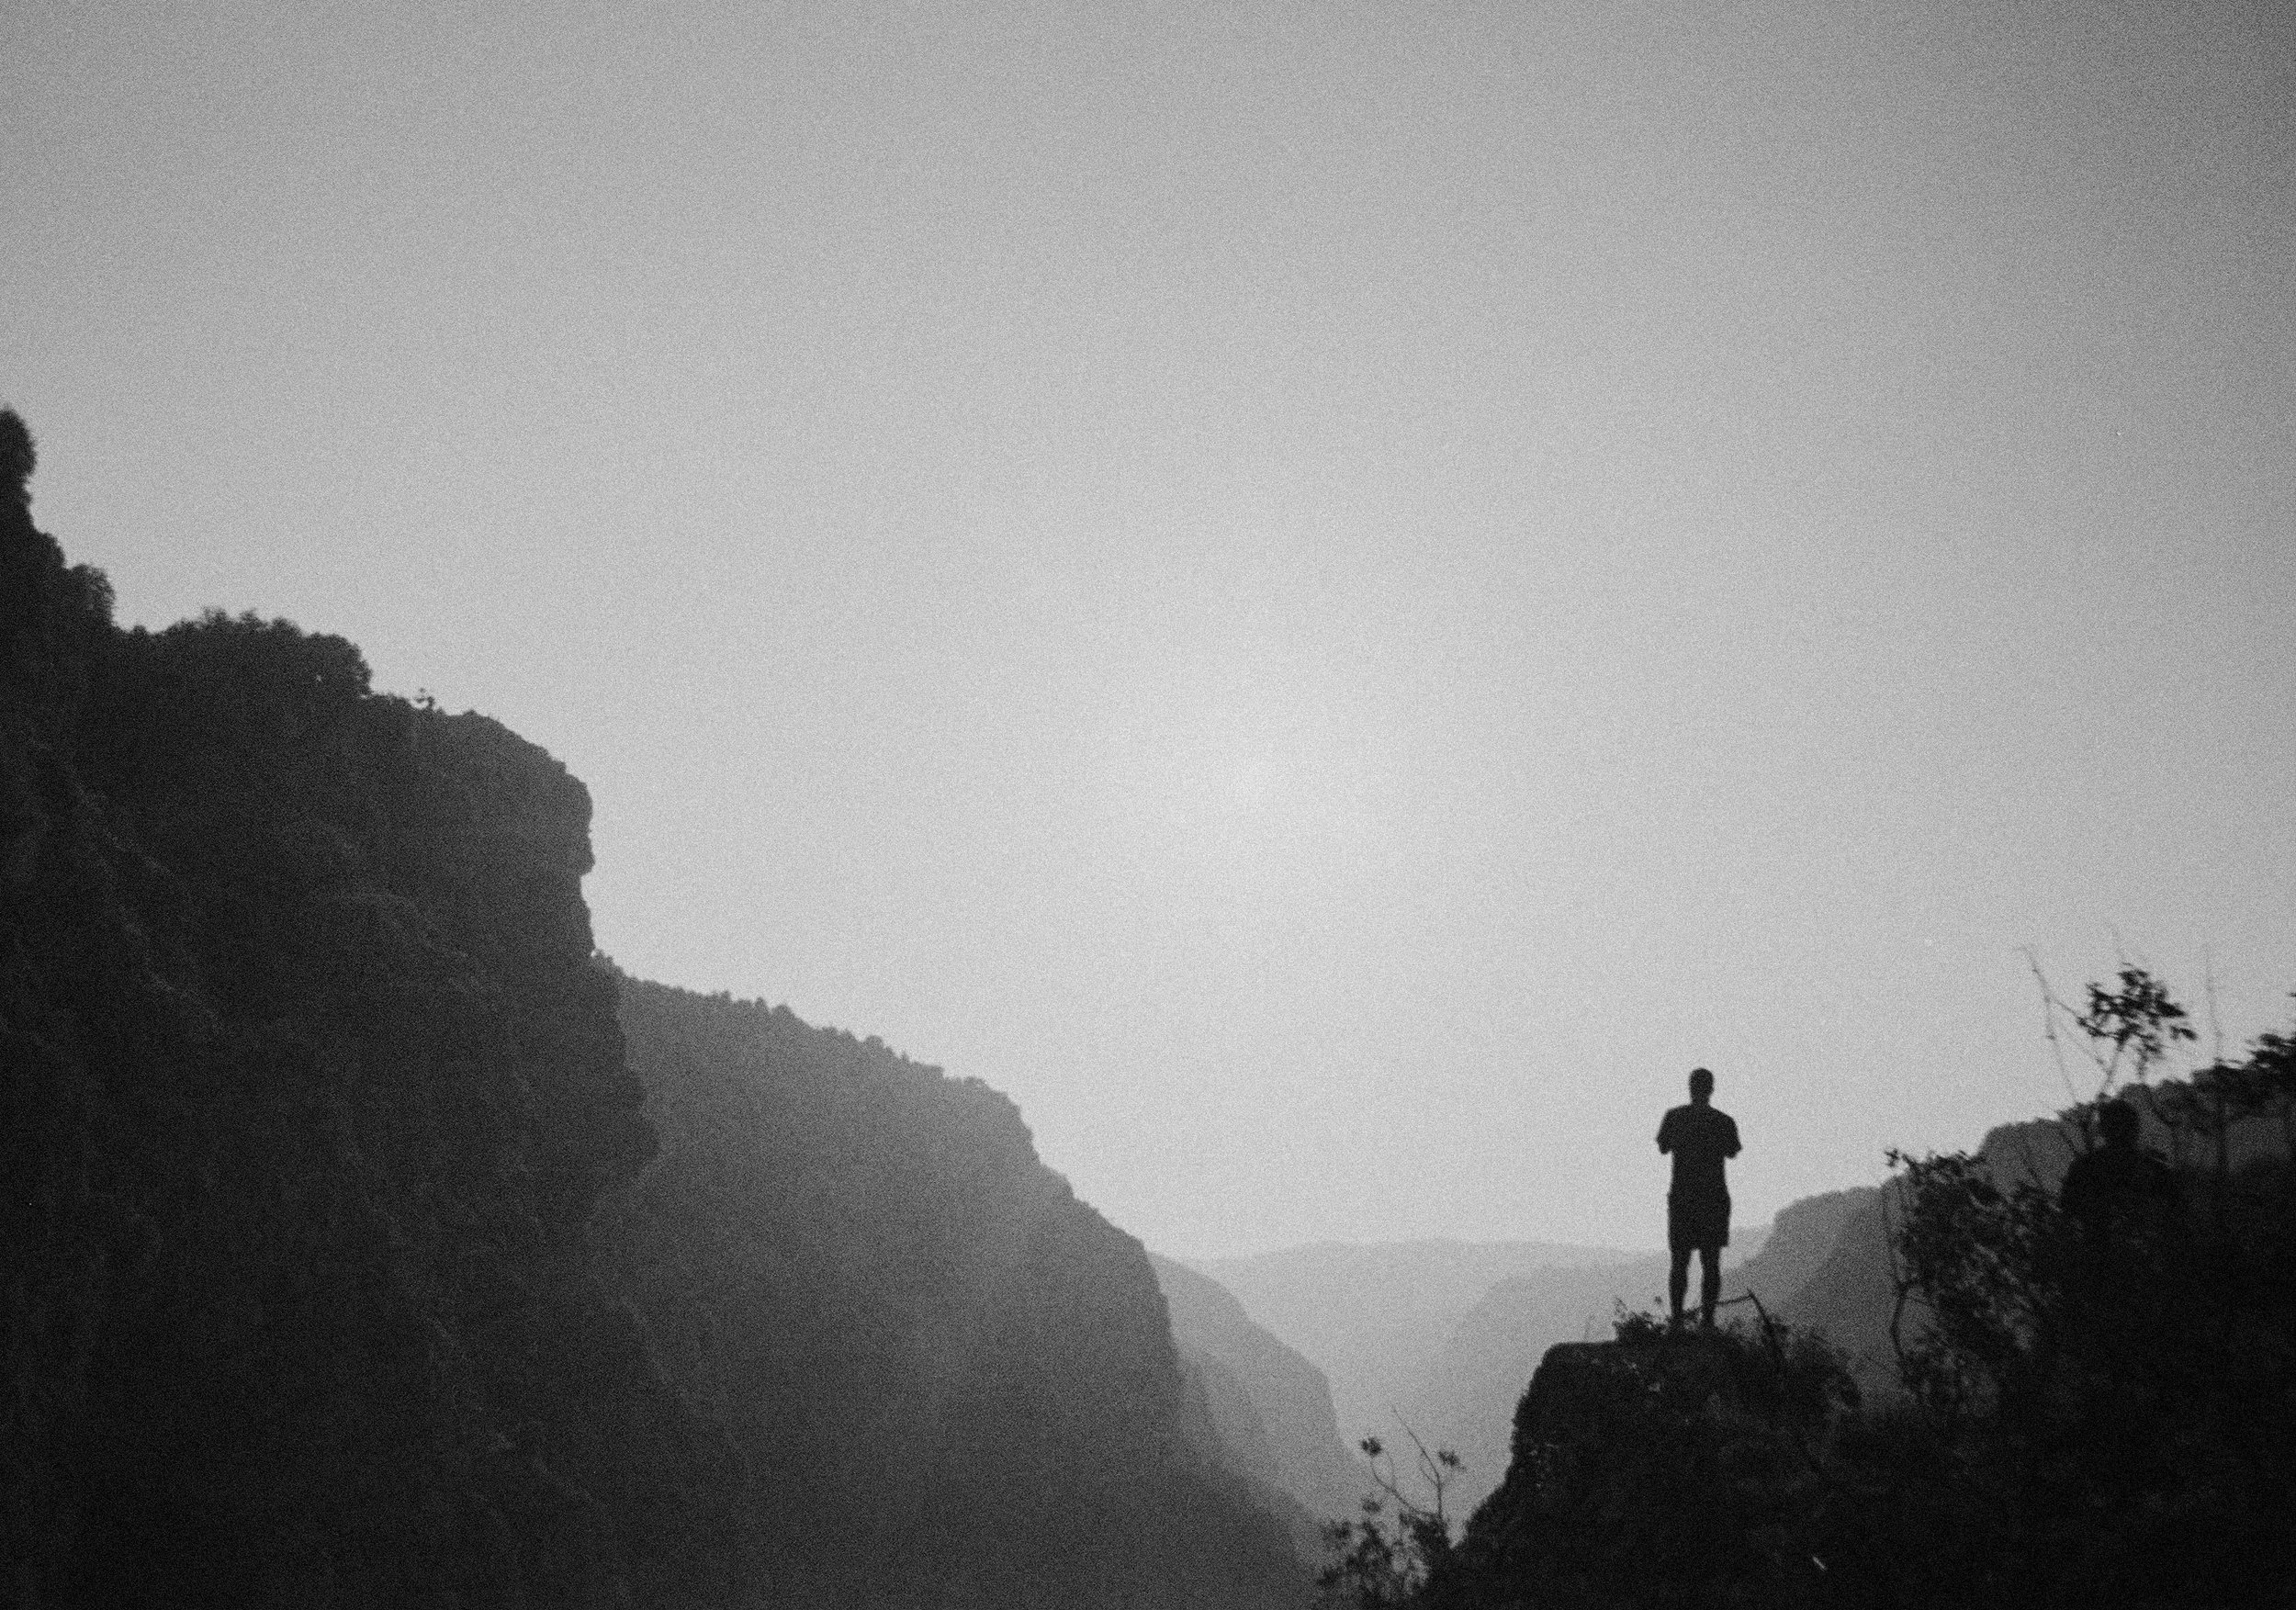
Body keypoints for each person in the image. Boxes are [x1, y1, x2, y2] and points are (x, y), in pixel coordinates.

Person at [1657, 1066, 1740, 1328]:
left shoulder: (1674, 1117)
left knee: (1680, 1262)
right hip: (1713, 1199)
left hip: (1683, 1198)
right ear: (1711, 1089)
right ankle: (1707, 1322)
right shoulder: (1723, 1122)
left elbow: (1663, 1146)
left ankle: (1677, 1321)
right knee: (1711, 1262)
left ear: (1690, 1087)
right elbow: (1732, 1151)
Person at [2060, 1098, 2177, 1240]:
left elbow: (2068, 1214)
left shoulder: (2084, 1167)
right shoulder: (2155, 1169)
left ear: (2102, 1130)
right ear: (2135, 1128)